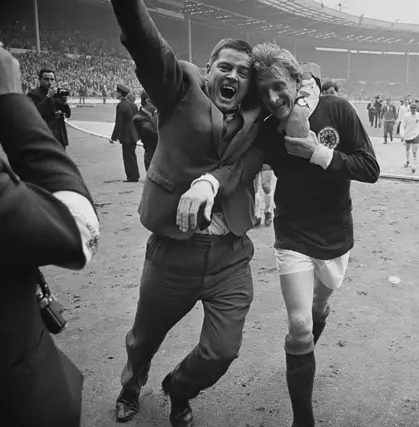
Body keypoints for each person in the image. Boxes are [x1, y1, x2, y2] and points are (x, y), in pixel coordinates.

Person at [108, 2, 318, 426]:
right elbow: (149, 48)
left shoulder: (260, 122)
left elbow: (250, 159)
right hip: (172, 249)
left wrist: (210, 182)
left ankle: (179, 388)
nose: (234, 77)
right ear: (207, 70)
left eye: (243, 73)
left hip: (230, 253)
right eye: (225, 67)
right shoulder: (180, 89)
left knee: (222, 350)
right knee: (144, 337)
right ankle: (132, 386)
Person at [247, 42, 379, 427]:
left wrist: (319, 154)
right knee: (300, 324)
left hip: (336, 234)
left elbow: (369, 168)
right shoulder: (267, 128)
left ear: (295, 79)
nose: (273, 98)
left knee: (319, 310)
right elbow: (241, 159)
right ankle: (303, 419)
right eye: (264, 92)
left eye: (278, 86)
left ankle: (303, 356)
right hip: (293, 237)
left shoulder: (336, 109)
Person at [0, 45, 100, 427]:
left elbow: (62, 119)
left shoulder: (52, 100)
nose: (50, 83)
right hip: (23, 398)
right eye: (47, 79)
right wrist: (15, 106)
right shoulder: (29, 100)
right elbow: (78, 231)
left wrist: (61, 109)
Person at [27, 67, 71, 149]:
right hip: (42, 137)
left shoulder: (57, 93)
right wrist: (48, 97)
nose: (49, 82)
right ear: (39, 80)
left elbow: (68, 114)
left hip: (59, 138)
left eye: (52, 79)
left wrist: (64, 103)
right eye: (46, 79)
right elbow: (35, 115)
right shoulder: (32, 94)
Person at [110, 83, 140, 182]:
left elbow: (119, 123)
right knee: (132, 155)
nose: (116, 93)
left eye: (117, 92)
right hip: (134, 134)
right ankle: (135, 175)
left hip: (126, 135)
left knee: (127, 156)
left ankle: (131, 176)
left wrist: (113, 137)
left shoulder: (120, 106)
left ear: (120, 93)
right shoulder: (133, 105)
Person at [132, 90, 158, 171]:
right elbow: (154, 131)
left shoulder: (153, 115)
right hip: (152, 160)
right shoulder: (138, 118)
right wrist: (158, 111)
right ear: (148, 101)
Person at [400, 102, 419, 174]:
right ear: (409, 109)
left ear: (416, 109)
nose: (413, 110)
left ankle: (414, 165)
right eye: (411, 109)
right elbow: (402, 125)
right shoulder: (406, 116)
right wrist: (402, 135)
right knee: (407, 149)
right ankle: (407, 161)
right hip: (408, 135)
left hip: (416, 135)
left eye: (414, 109)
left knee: (414, 151)